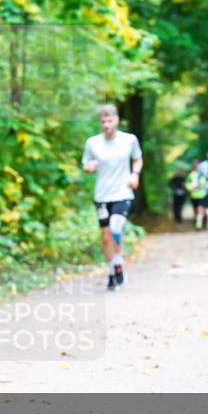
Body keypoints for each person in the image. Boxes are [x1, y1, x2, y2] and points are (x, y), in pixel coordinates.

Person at [82, 104, 143, 290]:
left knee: (116, 227)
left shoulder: (129, 140)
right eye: (103, 122)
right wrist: (89, 167)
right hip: (102, 195)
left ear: (117, 120)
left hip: (122, 192)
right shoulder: (92, 143)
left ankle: (118, 262)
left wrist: (135, 175)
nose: (106, 125)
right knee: (106, 236)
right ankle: (112, 270)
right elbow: (86, 165)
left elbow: (138, 158)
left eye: (109, 121)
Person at [185, 161, 207, 230]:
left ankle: (198, 223)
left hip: (201, 195)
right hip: (194, 195)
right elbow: (187, 184)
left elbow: (204, 182)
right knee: (196, 209)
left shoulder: (201, 174)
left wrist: (198, 185)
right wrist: (191, 188)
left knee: (200, 209)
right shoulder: (191, 175)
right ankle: (197, 221)